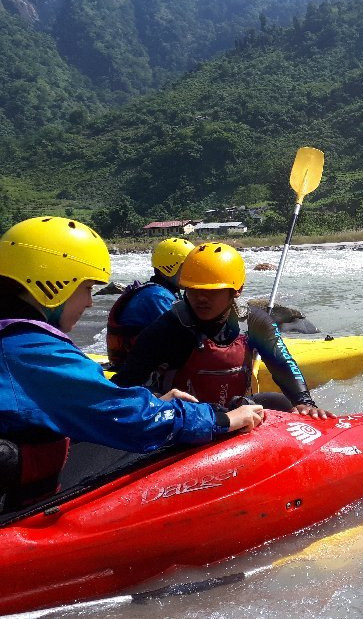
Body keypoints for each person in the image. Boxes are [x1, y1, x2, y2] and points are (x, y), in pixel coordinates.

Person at [0, 217, 264, 513]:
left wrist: (151, 401)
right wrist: (222, 420)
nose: (89, 303)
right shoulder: (33, 353)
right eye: (87, 287)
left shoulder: (14, 341)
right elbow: (130, 420)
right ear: (55, 284)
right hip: (14, 513)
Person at [111, 242, 333, 418]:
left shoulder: (255, 322)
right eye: (193, 290)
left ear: (237, 290)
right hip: (184, 418)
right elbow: (122, 387)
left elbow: (283, 364)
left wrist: (305, 403)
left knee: (281, 403)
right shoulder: (168, 328)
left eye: (212, 291)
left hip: (236, 411)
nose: (201, 298)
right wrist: (155, 401)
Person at [106, 237, 196, 370]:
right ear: (169, 268)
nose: (193, 272)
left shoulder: (161, 291)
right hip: (133, 369)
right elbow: (182, 339)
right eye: (187, 267)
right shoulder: (157, 296)